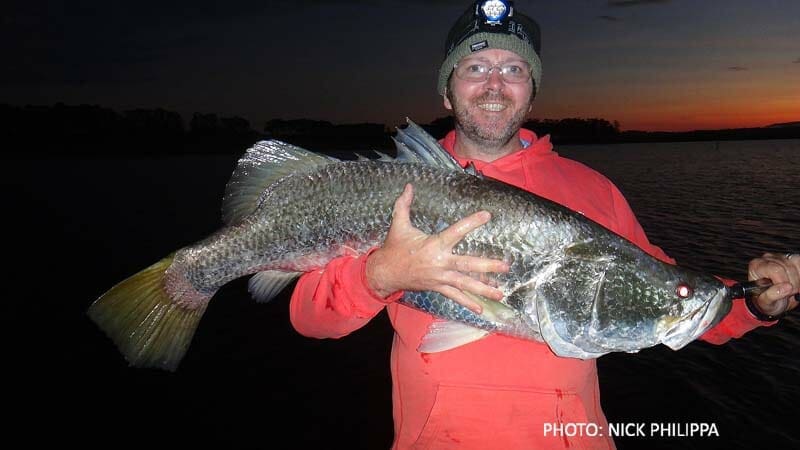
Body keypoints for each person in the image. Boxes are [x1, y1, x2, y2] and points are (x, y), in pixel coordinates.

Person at [289, 1, 800, 448]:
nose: (494, 84)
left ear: (531, 93)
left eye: (513, 69)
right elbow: (310, 318)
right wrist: (381, 275)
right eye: (475, 67)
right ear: (447, 91)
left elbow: (666, 291)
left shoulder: (594, 190)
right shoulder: (393, 190)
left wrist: (754, 302)